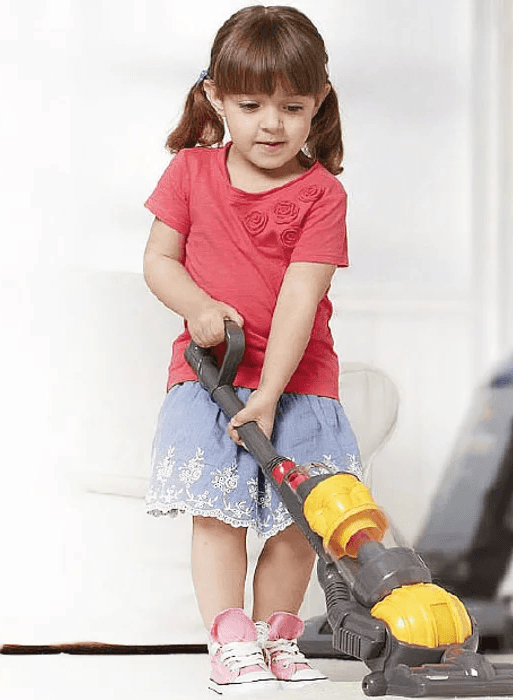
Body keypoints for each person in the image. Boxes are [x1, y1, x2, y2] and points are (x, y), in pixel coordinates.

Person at [141, 5, 359, 692]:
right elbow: (158, 261)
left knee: (305, 519)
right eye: (251, 105)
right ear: (214, 98)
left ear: (317, 102)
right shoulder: (189, 174)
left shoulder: (322, 194)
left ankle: (275, 638)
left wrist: (270, 394)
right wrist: (197, 308)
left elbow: (301, 298)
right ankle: (230, 642)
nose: (272, 123)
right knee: (220, 514)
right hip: (213, 379)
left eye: (292, 107)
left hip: (299, 380)